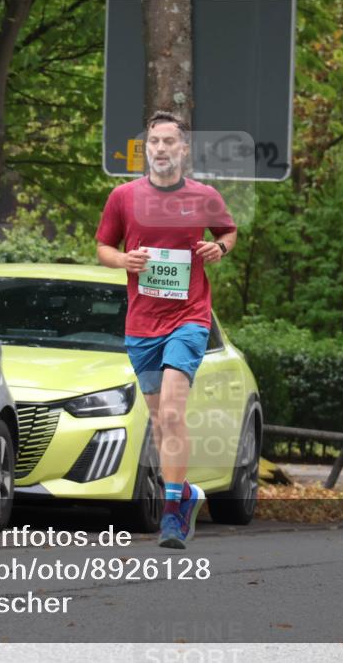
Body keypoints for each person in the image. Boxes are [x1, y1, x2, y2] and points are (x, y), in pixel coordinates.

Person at [96, 110, 237, 548]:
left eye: (168, 142)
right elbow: (104, 246)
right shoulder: (123, 196)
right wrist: (124, 260)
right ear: (147, 148)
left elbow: (229, 232)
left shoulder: (204, 196)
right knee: (159, 420)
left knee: (173, 411)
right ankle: (187, 491)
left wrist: (219, 248)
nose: (160, 149)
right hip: (141, 325)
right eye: (153, 142)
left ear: (183, 148)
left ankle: (173, 512)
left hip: (189, 317)